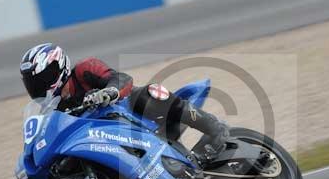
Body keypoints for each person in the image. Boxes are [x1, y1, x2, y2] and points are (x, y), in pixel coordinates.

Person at [19, 43, 229, 161]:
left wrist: (109, 92)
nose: (40, 86)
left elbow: (122, 80)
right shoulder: (54, 111)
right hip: (104, 137)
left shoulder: (84, 69)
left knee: (150, 93)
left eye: (44, 77)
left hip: (130, 113)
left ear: (59, 67)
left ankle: (215, 129)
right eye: (34, 83)